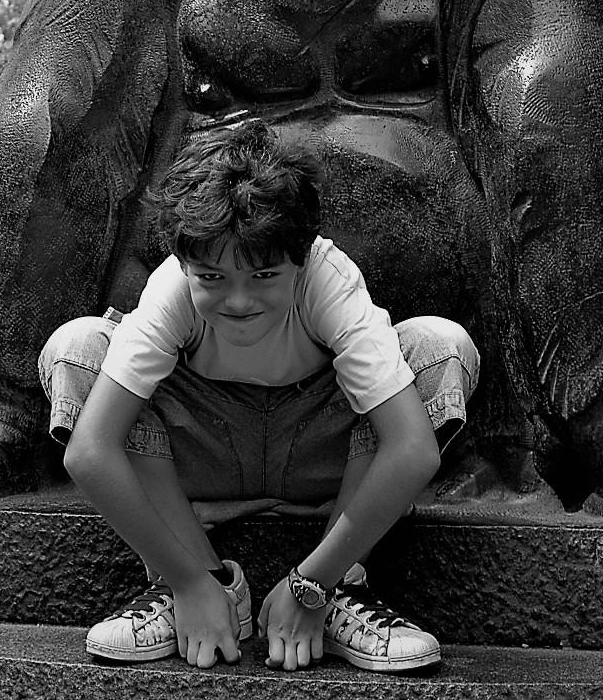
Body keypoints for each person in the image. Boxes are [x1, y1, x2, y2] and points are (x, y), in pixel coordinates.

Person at [38, 118, 478, 672]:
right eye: (213, 278)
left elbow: (412, 448)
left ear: (301, 256)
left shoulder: (327, 278)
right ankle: (201, 591)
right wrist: (190, 582)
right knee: (76, 348)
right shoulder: (173, 289)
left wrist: (312, 584)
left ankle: (345, 588)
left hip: (323, 454)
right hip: (200, 455)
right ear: (185, 264)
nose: (239, 301)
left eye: (264, 274)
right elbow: (89, 450)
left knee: (439, 346)